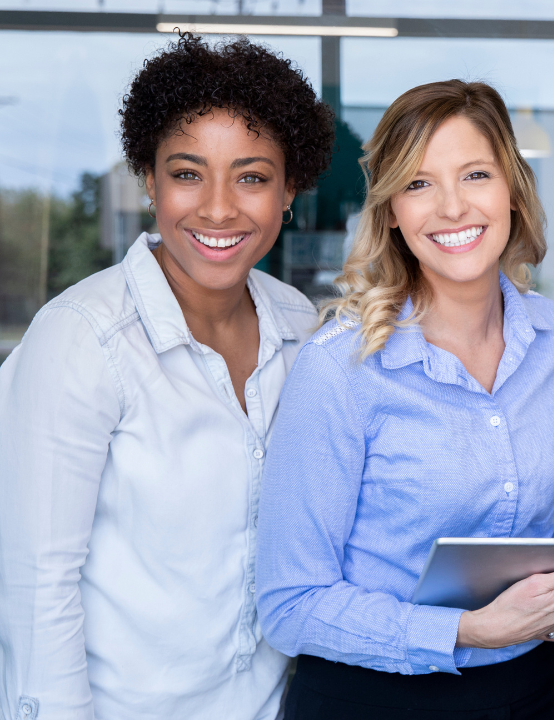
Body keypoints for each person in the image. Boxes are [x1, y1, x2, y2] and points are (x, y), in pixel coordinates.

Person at [0, 34, 333, 719]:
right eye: (187, 173)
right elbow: (37, 586)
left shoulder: (300, 326)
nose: (217, 208)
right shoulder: (82, 338)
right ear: (148, 181)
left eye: (251, 176)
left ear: (289, 188)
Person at [255, 80, 554, 719]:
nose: (452, 207)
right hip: (375, 700)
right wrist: (466, 633)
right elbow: (290, 604)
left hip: (536, 688)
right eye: (417, 184)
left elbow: (548, 528)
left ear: (513, 191)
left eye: (475, 174)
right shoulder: (340, 368)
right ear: (389, 212)